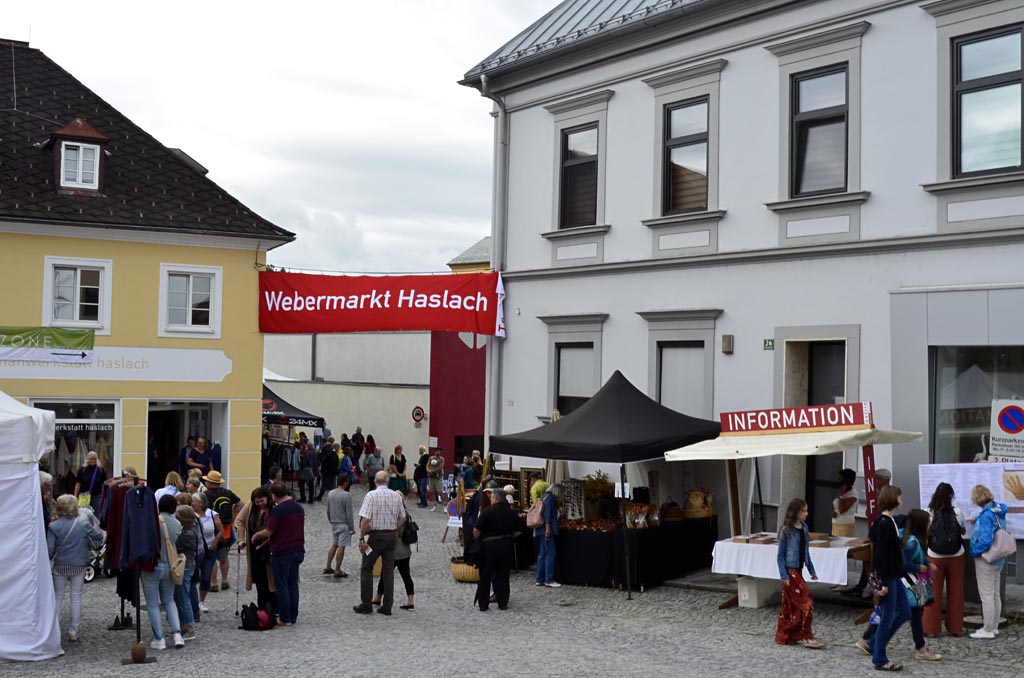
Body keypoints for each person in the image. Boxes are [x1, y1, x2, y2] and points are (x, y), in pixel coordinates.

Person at [48, 494, 105, 643]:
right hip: (79, 564)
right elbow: (99, 536)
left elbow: (49, 550)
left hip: (60, 565)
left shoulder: (53, 526)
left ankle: (54, 631)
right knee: (76, 597)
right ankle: (73, 631)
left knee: (58, 597)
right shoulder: (83, 524)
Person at [865, 485, 910, 671]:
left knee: (904, 612)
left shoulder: (889, 521)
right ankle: (880, 658)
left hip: (894, 574)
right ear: (893, 499)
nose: (902, 499)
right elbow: (881, 555)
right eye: (900, 496)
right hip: (888, 576)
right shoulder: (884, 523)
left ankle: (874, 643)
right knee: (887, 616)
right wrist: (882, 583)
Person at [353, 470, 407, 616]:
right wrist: (396, 528)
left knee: (367, 568)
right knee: (388, 571)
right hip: (390, 536)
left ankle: (366, 604)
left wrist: (361, 538)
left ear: (376, 482)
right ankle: (387, 605)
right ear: (387, 481)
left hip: (375, 536)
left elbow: (365, 519)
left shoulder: (371, 495)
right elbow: (403, 517)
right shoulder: (396, 496)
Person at [773, 497, 824, 648]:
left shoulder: (805, 528)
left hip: (799, 570)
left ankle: (788, 635)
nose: (807, 513)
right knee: (806, 601)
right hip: (790, 571)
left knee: (791, 605)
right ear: (796, 512)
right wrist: (783, 575)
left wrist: (811, 570)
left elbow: (806, 552)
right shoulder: (786, 530)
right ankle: (807, 636)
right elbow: (780, 555)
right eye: (804, 511)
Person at [252, 482, 305, 626]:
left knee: (281, 585)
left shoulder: (278, 510)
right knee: (293, 584)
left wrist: (256, 535)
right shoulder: (298, 508)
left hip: (282, 551)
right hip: (298, 549)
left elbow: (269, 531)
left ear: (273, 495)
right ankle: (293, 616)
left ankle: (284, 617)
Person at [842, 467, 892, 597]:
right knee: (868, 559)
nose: (873, 481)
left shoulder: (887, 493)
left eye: (876, 479)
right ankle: (862, 586)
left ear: (882, 480)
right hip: (875, 530)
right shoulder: (877, 492)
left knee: (874, 561)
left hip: (881, 532)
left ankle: (873, 589)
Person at [923, 482, 965, 638]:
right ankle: (956, 628)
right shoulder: (958, 512)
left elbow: (926, 532)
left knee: (933, 592)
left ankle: (930, 629)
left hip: (934, 556)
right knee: (956, 591)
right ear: (951, 497)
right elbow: (962, 530)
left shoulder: (928, 512)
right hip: (956, 555)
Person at [899, 508, 942, 661]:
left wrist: (928, 563)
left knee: (914, 614)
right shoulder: (912, 543)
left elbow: (919, 557)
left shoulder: (916, 541)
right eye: (928, 523)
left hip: (910, 584)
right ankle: (870, 640)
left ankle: (921, 646)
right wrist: (919, 567)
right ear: (921, 525)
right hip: (907, 583)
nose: (930, 525)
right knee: (896, 614)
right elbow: (903, 564)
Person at [143, 494, 185, 650]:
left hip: (153, 565)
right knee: (169, 600)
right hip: (170, 565)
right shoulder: (177, 523)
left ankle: (159, 638)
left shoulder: (153, 522)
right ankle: (177, 635)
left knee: (153, 604)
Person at [968, 484, 1009, 639]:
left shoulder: (986, 516)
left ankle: (987, 630)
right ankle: (995, 626)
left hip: (987, 558)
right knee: (995, 594)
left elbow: (985, 540)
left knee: (986, 596)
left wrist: (974, 552)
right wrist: (977, 518)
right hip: (999, 558)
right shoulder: (998, 509)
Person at [474, 487, 520, 611]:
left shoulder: (487, 512)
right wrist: (508, 537)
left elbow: (476, 531)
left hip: (489, 547)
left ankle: (483, 604)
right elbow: (518, 531)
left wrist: (478, 538)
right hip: (506, 546)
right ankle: (503, 602)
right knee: (503, 575)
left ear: (494, 499)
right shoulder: (512, 513)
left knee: (485, 575)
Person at [235, 487, 278, 614]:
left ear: (268, 498)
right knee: (259, 578)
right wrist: (240, 539)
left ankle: (274, 607)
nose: (259, 504)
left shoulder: (274, 508)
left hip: (271, 547)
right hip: (255, 549)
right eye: (257, 501)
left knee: (272, 577)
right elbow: (239, 521)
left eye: (262, 501)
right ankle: (262, 606)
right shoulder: (250, 507)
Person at [372, 490, 416, 611]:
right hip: (404, 551)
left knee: (386, 574)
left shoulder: (399, 515)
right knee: (405, 575)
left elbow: (393, 531)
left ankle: (378, 597)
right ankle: (409, 600)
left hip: (395, 550)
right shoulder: (404, 513)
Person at [203, 470, 241, 592]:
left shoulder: (206, 495)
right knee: (224, 557)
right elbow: (240, 504)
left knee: (212, 557)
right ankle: (224, 581)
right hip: (226, 528)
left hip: (211, 528)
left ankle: (213, 583)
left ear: (210, 482)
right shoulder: (227, 493)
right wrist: (233, 518)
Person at [192, 492, 222, 612]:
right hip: (194, 551)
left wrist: (215, 544)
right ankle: (192, 600)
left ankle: (201, 601)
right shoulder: (190, 514)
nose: (192, 502)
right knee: (192, 577)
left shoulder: (212, 514)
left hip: (209, 549)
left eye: (194, 501)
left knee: (206, 577)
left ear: (201, 503)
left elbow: (220, 530)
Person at [173, 505, 200, 640]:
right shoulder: (193, 529)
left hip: (185, 567)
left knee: (183, 598)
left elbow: (175, 545)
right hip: (188, 566)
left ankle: (189, 627)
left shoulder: (188, 534)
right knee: (181, 597)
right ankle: (183, 625)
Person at [325, 474, 355, 578]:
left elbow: (328, 510)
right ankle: (337, 569)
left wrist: (331, 520)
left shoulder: (330, 494)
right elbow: (349, 513)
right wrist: (351, 528)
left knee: (334, 545)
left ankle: (328, 566)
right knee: (341, 546)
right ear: (345, 482)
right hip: (343, 524)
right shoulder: (347, 495)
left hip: (334, 523)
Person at [533, 483, 562, 588]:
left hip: (540, 529)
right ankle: (549, 580)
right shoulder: (550, 499)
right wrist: (548, 528)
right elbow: (547, 515)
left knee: (542, 554)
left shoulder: (544, 496)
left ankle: (539, 578)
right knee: (551, 553)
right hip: (546, 529)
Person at [72, 451, 107, 516]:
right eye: (91, 458)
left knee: (95, 516)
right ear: (87, 459)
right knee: (83, 515)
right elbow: (78, 484)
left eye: (94, 458)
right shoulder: (82, 470)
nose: (93, 460)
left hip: (96, 497)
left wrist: (104, 497)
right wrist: (75, 496)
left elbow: (104, 484)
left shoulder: (101, 470)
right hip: (84, 496)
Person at [831, 468, 857, 538]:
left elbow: (842, 510)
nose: (838, 481)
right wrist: (833, 511)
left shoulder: (852, 494)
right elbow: (836, 505)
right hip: (836, 523)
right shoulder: (843, 491)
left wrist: (841, 495)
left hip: (845, 525)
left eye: (840, 479)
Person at [298, 439, 319, 503]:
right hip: (314, 470)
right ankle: (311, 499)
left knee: (301, 484)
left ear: (308, 446)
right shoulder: (315, 452)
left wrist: (301, 467)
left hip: (307, 470)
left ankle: (303, 498)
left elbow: (304, 462)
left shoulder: (307, 452)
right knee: (311, 485)